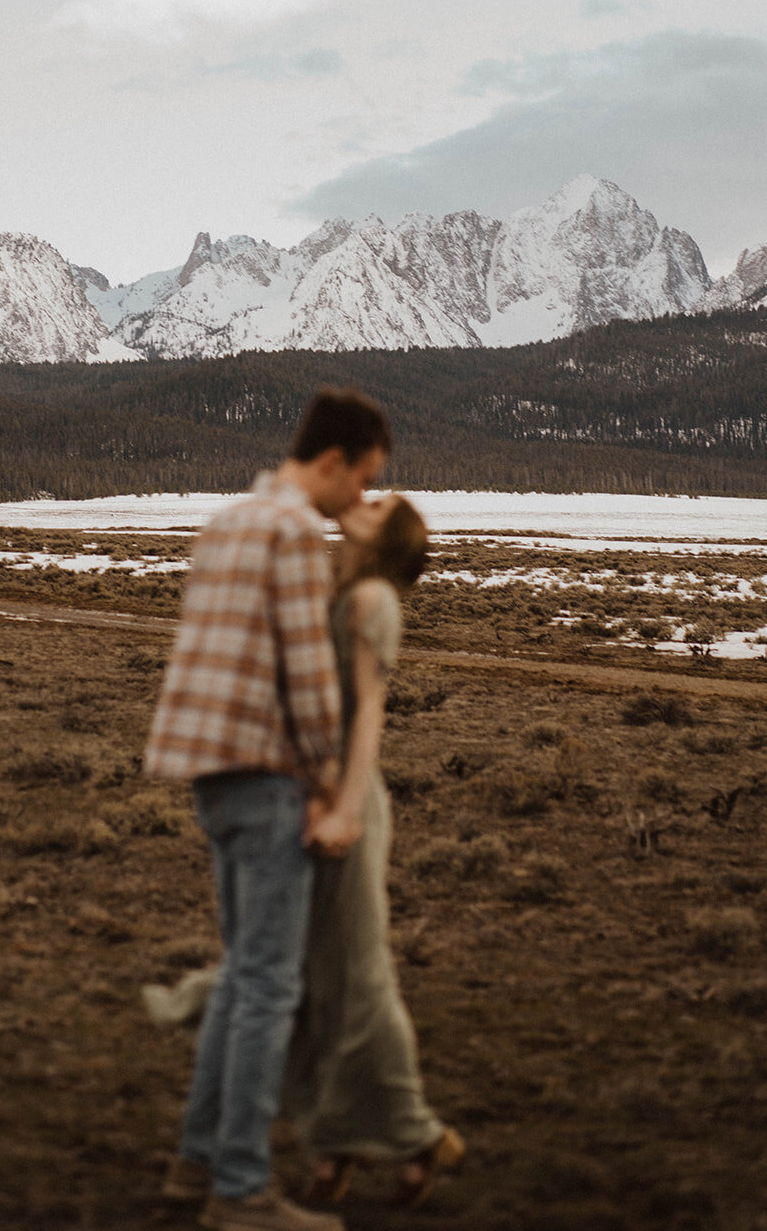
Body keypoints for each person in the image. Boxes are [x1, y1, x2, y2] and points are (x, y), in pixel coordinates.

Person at [144, 387, 391, 1231]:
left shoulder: (228, 518)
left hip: (207, 774)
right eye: (363, 480)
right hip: (266, 777)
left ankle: (196, 1165)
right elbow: (309, 676)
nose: (360, 499)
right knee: (266, 988)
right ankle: (240, 1189)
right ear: (330, 463)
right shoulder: (290, 531)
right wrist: (331, 788)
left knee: (243, 977)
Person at [282, 492, 465, 1208]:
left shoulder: (371, 601)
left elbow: (368, 717)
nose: (363, 498)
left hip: (347, 808)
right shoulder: (348, 591)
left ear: (387, 536)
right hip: (320, 799)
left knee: (356, 978)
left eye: (380, 503)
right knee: (317, 979)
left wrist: (343, 810)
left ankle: (411, 1132)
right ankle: (336, 1144)